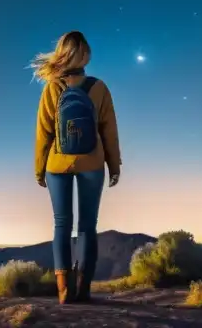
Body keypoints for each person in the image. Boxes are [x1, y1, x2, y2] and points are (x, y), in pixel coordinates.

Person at [32, 30, 121, 305]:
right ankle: (83, 289)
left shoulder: (52, 88)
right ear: (85, 55)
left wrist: (39, 169)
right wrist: (114, 164)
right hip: (92, 162)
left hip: (57, 164)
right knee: (87, 226)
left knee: (61, 225)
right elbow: (109, 131)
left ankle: (64, 292)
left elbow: (44, 132)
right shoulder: (99, 88)